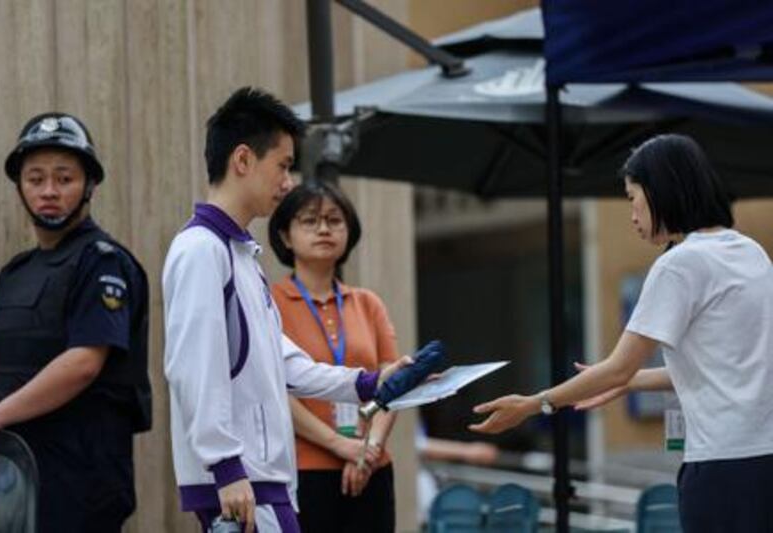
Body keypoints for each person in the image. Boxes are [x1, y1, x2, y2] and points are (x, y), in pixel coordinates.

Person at [469, 134, 773, 532]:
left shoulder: (679, 265)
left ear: (661, 190)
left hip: (722, 467)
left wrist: (535, 404)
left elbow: (617, 366)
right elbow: (723, 365)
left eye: (632, 197)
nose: (631, 213)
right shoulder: (749, 252)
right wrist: (629, 384)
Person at [162, 87, 413, 533]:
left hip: (263, 480)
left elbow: (283, 363)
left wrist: (368, 383)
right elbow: (192, 368)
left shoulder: (241, 256)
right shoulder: (201, 250)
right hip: (243, 482)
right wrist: (225, 466)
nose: (288, 182)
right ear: (242, 160)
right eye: (283, 165)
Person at [0, 112, 152, 532]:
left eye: (64, 178)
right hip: (9, 478)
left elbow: (83, 362)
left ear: (89, 184)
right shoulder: (15, 272)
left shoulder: (102, 262)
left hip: (77, 481)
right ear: (20, 187)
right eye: (35, 179)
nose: (49, 191)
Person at [267, 180, 398, 532]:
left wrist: (367, 449)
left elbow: (394, 383)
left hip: (373, 468)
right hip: (304, 469)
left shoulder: (368, 303)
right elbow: (274, 389)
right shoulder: (268, 302)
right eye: (309, 220)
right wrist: (340, 445)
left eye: (334, 220)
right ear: (284, 236)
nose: (324, 228)